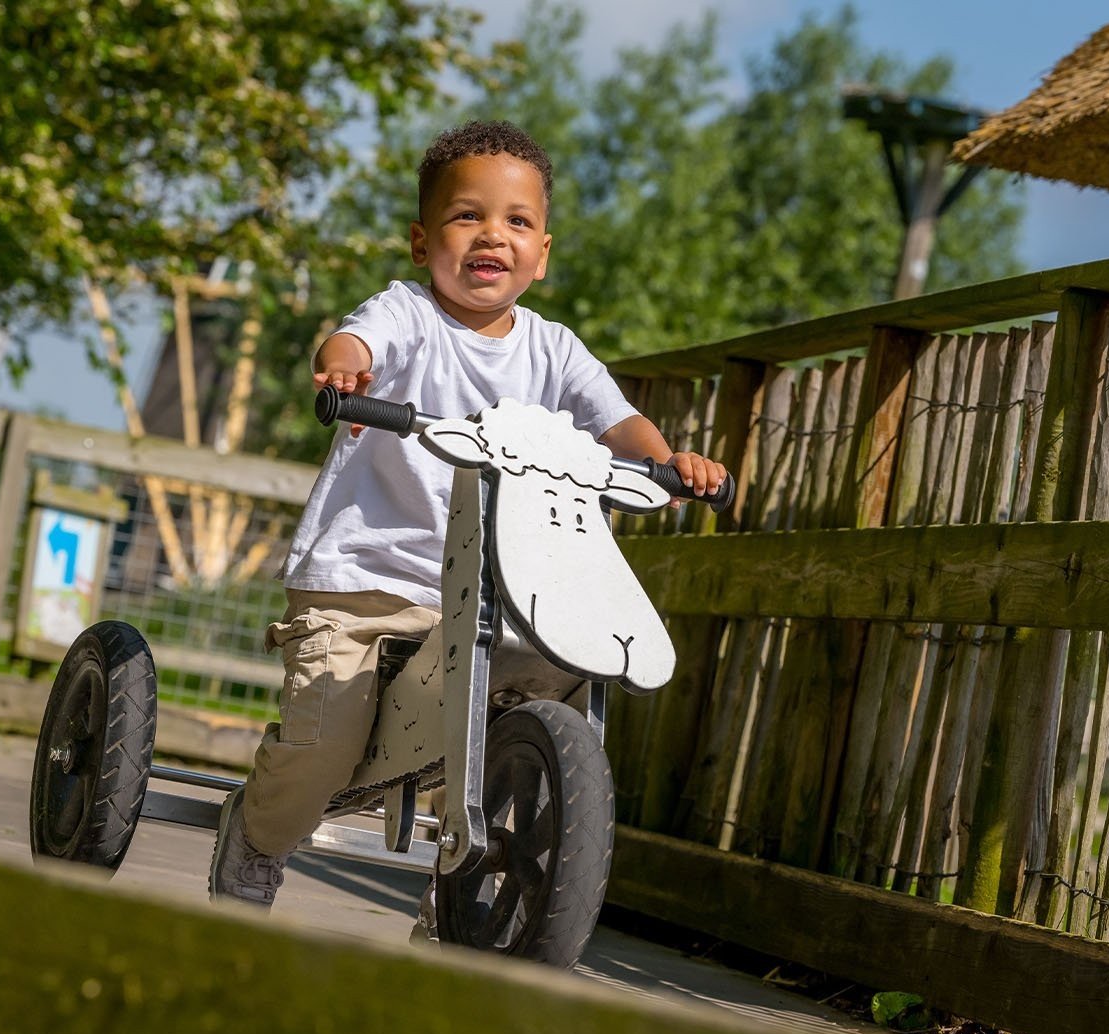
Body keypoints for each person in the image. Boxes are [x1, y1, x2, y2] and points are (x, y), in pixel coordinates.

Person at [208, 120, 728, 917]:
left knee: (545, 698)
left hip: (487, 597)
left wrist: (670, 461)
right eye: (467, 217)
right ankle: (256, 835)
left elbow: (618, 421)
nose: (493, 236)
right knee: (325, 747)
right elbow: (358, 335)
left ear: (543, 252)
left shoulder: (553, 351)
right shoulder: (410, 316)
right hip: (365, 583)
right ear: (423, 242)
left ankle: (468, 906)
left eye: (517, 222)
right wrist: (348, 363)